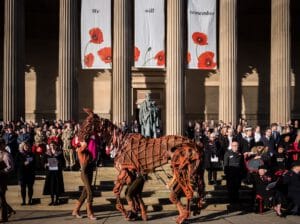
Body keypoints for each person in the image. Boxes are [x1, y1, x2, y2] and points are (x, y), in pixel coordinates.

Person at [72, 109, 99, 220]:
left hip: (90, 167)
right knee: (90, 191)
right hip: (84, 170)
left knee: (85, 191)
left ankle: (75, 210)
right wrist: (83, 141)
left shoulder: (89, 140)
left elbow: (93, 144)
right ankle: (90, 212)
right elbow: (81, 142)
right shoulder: (80, 149)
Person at [43, 141, 65, 206]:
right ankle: (52, 200)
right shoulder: (47, 153)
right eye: (51, 145)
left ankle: (56, 200)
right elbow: (43, 162)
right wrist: (46, 164)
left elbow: (63, 162)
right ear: (49, 146)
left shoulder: (59, 153)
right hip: (50, 172)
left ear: (56, 146)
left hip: (57, 172)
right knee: (51, 186)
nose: (52, 146)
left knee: (57, 186)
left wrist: (58, 162)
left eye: (54, 145)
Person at [0, 139, 15, 222]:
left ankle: (4, 217)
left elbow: (10, 167)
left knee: (1, 198)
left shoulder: (6, 155)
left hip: (2, 178)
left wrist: (2, 171)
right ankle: (9, 210)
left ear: (3, 145)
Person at [224, 140, 243, 205]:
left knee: (237, 188)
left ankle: (236, 200)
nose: (235, 147)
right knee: (231, 188)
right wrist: (227, 174)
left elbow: (242, 164)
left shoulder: (240, 154)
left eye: (237, 146)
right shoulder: (227, 153)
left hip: (238, 174)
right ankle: (231, 201)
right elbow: (226, 164)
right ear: (231, 146)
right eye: (234, 146)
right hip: (230, 174)